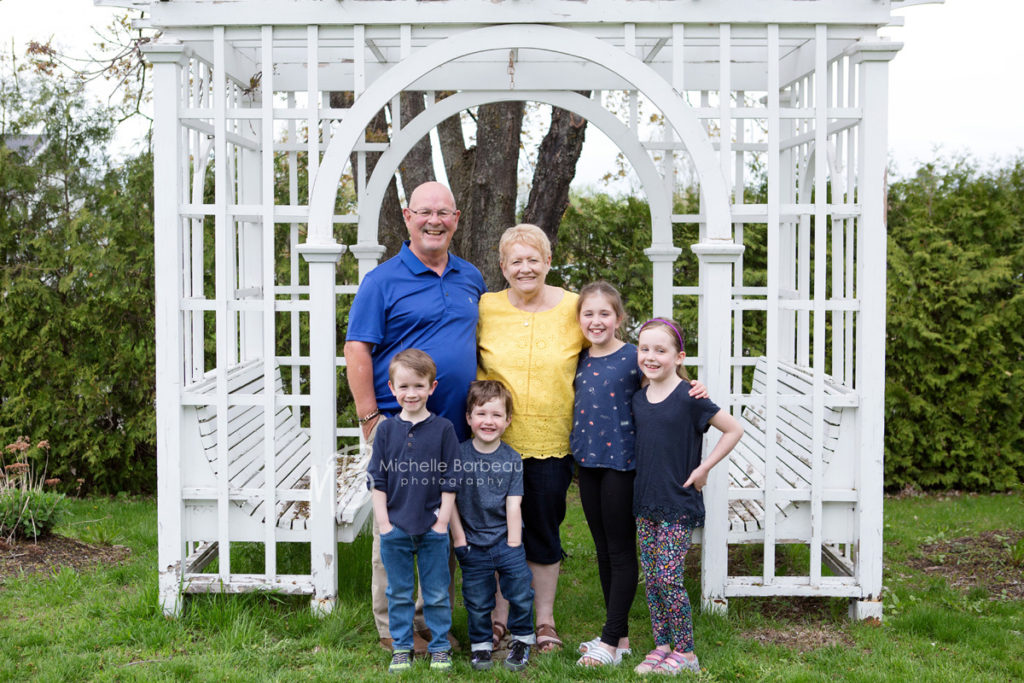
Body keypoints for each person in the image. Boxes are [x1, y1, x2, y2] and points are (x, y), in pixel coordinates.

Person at [345, 181, 485, 653]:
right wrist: (369, 419)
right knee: (398, 527)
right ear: (407, 217)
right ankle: (393, 628)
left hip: (452, 429)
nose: (434, 220)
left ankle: (429, 623)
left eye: (444, 212)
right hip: (399, 428)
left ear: (457, 219)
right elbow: (357, 348)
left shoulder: (471, 277)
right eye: (425, 211)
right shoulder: (382, 280)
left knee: (439, 526)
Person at [571, 282, 706, 668]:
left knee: (619, 551)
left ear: (618, 318)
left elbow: (667, 385)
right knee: (601, 551)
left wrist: (695, 387)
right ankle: (621, 637)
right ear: (579, 318)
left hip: (622, 465)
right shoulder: (580, 357)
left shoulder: (634, 357)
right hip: (588, 464)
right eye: (588, 313)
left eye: (604, 314)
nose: (596, 321)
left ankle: (611, 642)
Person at [476, 223, 583, 653]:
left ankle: (544, 621)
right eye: (516, 261)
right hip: (494, 442)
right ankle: (500, 617)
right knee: (496, 530)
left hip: (553, 440)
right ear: (503, 266)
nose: (525, 268)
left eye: (533, 259)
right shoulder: (485, 306)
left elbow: (613, 347)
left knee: (542, 527)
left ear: (548, 262)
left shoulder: (574, 308)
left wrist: (675, 379)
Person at [629, 318, 743, 676]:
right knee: (651, 577)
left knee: (668, 578)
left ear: (678, 357)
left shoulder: (691, 397)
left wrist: (704, 467)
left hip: (678, 503)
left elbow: (733, 429)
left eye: (660, 350)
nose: (650, 356)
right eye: (644, 349)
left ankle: (687, 652)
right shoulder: (638, 397)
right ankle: (662, 645)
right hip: (645, 501)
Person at [368, 349, 460, 673]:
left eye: (419, 386)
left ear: (432, 387)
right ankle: (401, 648)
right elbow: (377, 480)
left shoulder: (444, 429)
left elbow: (451, 479)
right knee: (400, 593)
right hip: (396, 527)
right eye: (404, 386)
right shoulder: (386, 431)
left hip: (433, 527)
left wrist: (442, 523)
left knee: (435, 591)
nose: (411, 393)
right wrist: (384, 523)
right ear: (392, 388)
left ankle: (438, 647)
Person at [450, 380, 535, 672]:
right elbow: (450, 502)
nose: (489, 421)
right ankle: (481, 645)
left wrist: (513, 544)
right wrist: (459, 540)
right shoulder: (458, 456)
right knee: (476, 598)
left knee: (520, 591)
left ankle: (522, 638)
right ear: (469, 418)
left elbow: (514, 504)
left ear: (508, 420)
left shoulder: (512, 459)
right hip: (472, 542)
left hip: (506, 540)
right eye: (481, 414)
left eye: (497, 415)